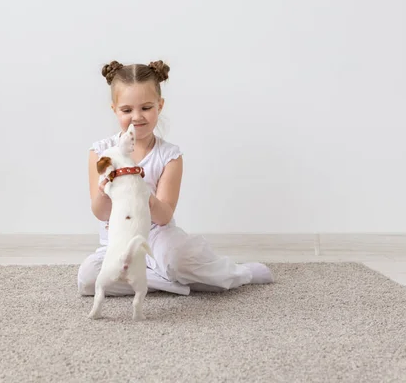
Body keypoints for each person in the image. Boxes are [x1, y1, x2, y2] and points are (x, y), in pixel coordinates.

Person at [77, 60, 274, 296]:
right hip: (118, 240)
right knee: (89, 279)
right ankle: (170, 282)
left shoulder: (169, 156)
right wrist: (104, 190)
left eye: (146, 108)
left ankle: (240, 273)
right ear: (115, 110)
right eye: (127, 110)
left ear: (160, 106)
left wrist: (141, 192)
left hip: (157, 237)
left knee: (176, 259)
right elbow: (100, 213)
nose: (137, 117)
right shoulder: (101, 152)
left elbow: (164, 216)